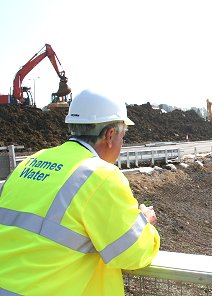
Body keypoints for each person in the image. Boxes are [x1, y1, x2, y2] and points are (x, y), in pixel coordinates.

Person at [0, 90, 160, 295]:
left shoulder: (31, 161)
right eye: (123, 136)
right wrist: (144, 223)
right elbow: (132, 253)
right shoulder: (101, 176)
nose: (122, 144)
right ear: (110, 135)